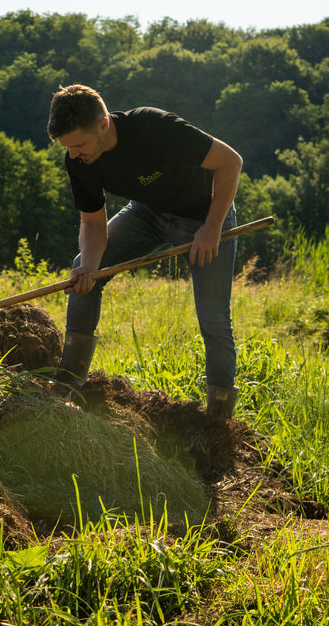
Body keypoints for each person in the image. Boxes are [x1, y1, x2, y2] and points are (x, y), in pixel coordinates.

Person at [46, 84, 243, 421]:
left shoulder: (154, 127)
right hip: (147, 213)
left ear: (104, 124)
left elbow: (230, 162)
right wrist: (91, 268)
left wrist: (212, 229)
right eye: (68, 147)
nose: (74, 154)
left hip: (205, 216)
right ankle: (69, 383)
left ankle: (219, 418)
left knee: (213, 317)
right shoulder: (78, 161)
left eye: (78, 144)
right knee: (82, 267)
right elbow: (93, 224)